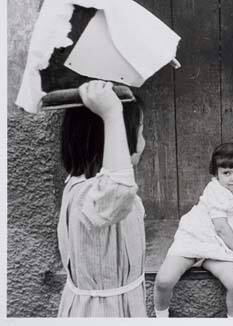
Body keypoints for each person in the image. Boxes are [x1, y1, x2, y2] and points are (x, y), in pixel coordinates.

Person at [57, 80, 146, 317]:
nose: (144, 142)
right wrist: (112, 114)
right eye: (141, 131)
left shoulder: (86, 186)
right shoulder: (91, 195)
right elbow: (118, 187)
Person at [153, 143, 233, 318]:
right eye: (226, 173)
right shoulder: (214, 190)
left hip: (220, 245)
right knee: (164, 280)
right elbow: (221, 226)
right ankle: (161, 316)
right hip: (198, 236)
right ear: (216, 174)